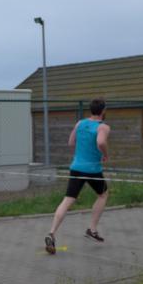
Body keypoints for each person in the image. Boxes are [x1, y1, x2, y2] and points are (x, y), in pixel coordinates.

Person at [45, 97, 111, 255]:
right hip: (93, 170)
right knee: (103, 195)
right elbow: (101, 142)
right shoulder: (103, 127)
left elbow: (71, 142)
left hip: (76, 168)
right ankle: (92, 229)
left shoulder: (80, 123)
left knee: (68, 200)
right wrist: (105, 154)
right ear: (103, 111)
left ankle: (51, 233)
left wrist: (84, 149)